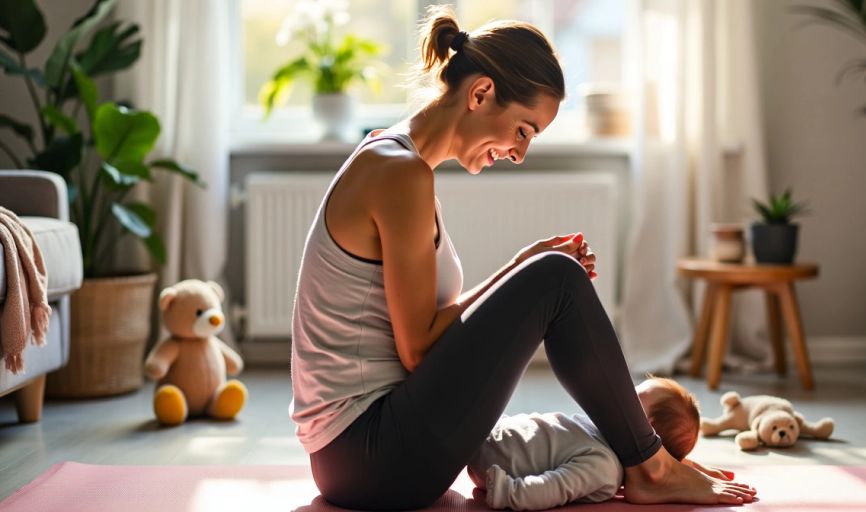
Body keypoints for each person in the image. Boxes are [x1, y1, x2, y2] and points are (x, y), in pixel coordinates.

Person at [289, 5, 756, 510]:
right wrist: (528, 276)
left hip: (359, 459)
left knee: (551, 274)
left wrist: (519, 268)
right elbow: (420, 351)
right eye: (523, 130)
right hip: (373, 460)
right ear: (481, 92)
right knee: (557, 277)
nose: (519, 153)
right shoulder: (399, 174)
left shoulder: (393, 160)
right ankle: (651, 466)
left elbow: (424, 330)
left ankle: (649, 460)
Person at [467, 377, 729, 510]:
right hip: (495, 431)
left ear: (644, 428)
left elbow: (556, 486)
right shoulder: (600, 434)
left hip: (491, 454)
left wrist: (509, 493)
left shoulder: (603, 466)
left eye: (632, 397)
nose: (619, 396)